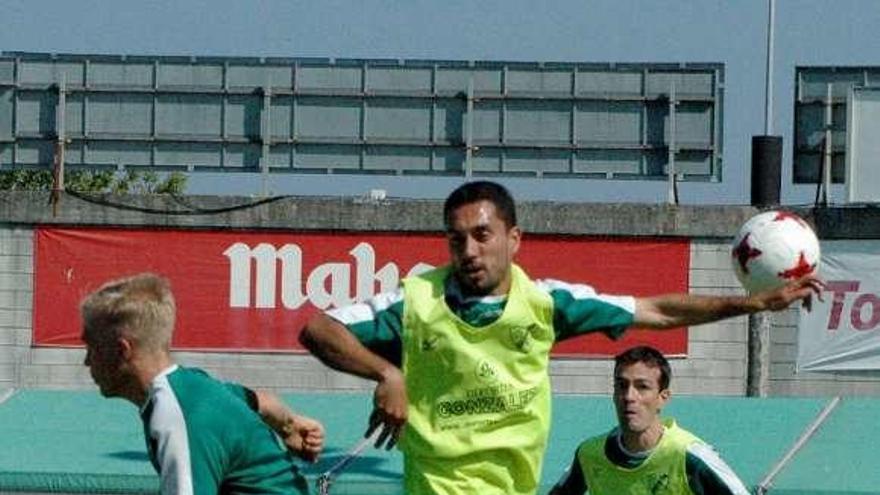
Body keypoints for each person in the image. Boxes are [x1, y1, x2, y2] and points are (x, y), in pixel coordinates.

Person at [299, 180, 821, 495]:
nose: (470, 251)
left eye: (482, 235)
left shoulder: (547, 304)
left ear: (514, 239)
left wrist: (751, 304)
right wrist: (387, 372)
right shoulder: (415, 302)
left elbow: (655, 310)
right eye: (457, 240)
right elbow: (319, 328)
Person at [80, 273, 324, 495]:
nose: (87, 360)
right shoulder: (192, 384)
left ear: (123, 350)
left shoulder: (175, 418)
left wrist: (289, 427)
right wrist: (290, 426)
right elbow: (262, 402)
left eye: (91, 346)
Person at [549, 345, 750, 495]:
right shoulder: (589, 454)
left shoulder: (690, 456)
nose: (629, 396)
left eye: (642, 387)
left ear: (663, 397)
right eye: (621, 385)